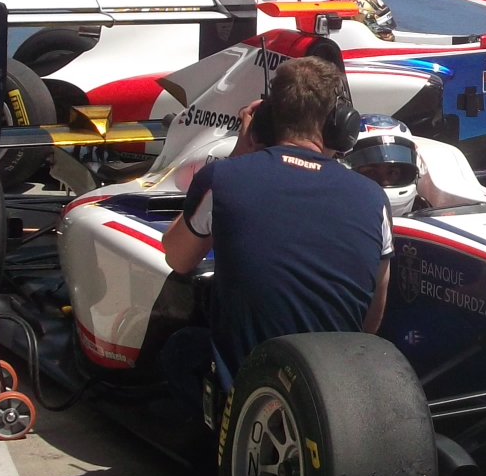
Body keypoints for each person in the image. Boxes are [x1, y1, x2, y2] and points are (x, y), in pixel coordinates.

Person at [159, 56, 393, 404]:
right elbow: (371, 318)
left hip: (252, 391)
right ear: (339, 125)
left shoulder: (223, 179)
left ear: (265, 121)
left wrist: (240, 151)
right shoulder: (375, 200)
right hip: (335, 393)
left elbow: (177, 258)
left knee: (179, 348)